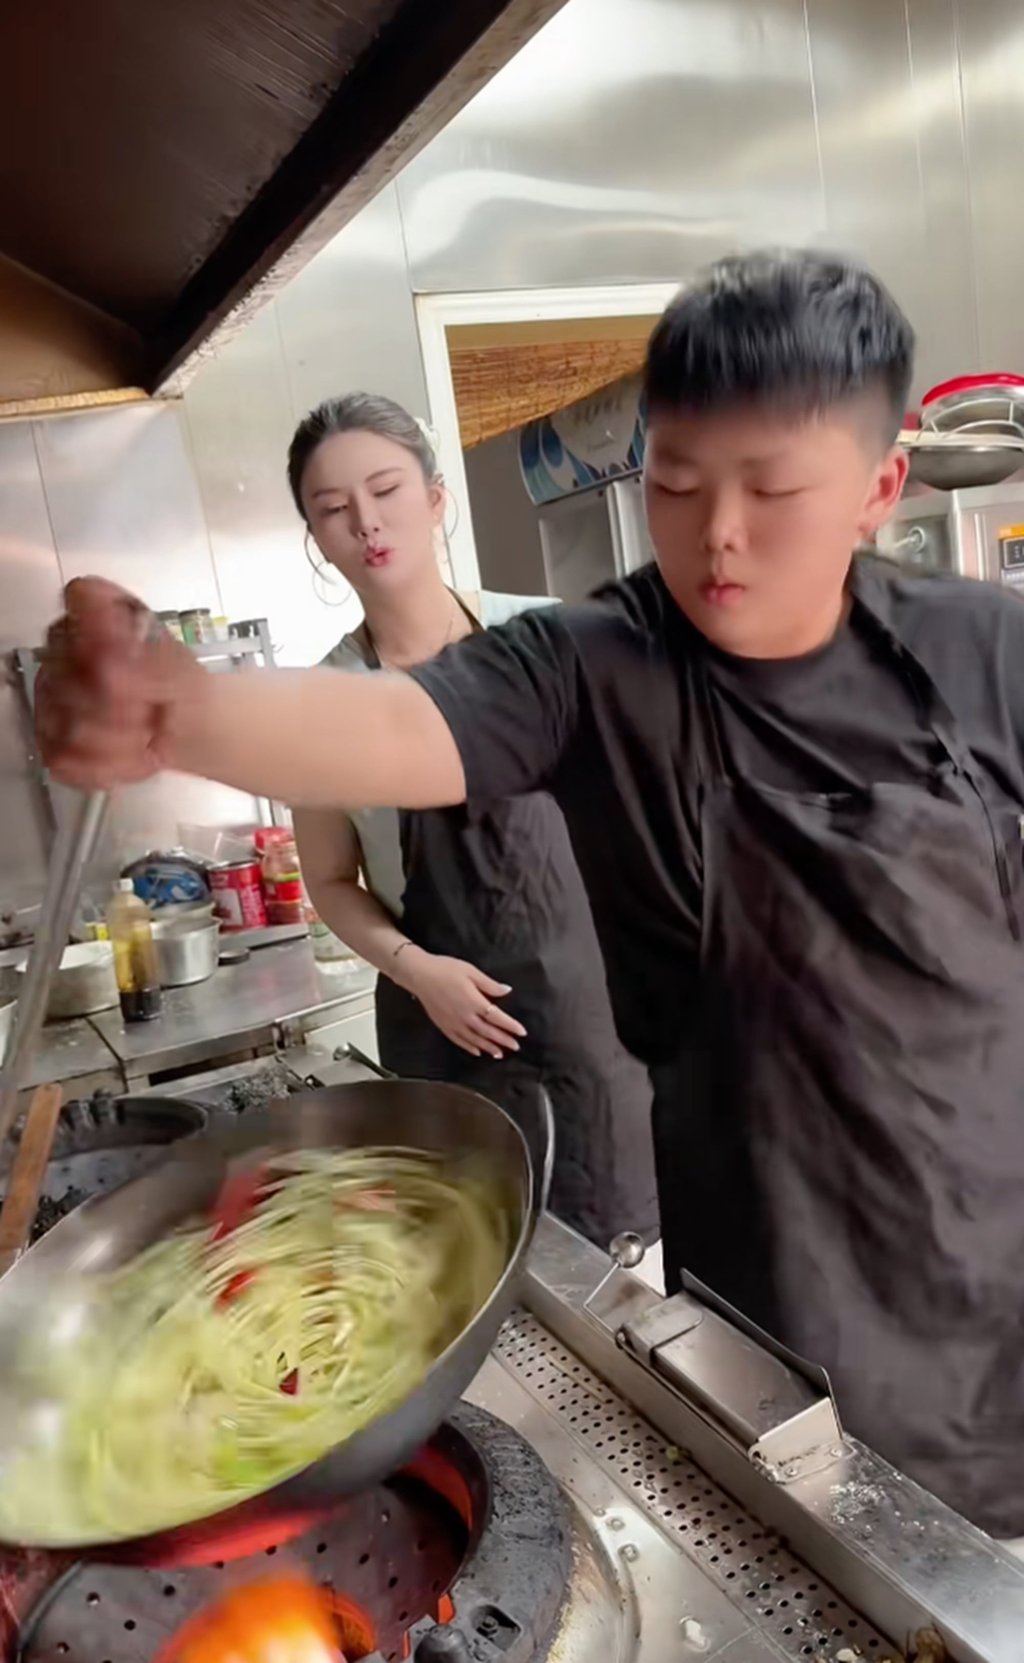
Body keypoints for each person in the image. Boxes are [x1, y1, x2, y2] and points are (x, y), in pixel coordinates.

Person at [36, 249, 1024, 1541]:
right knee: (841, 1553)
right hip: (782, 1266)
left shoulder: (986, 649)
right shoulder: (590, 660)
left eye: (772, 487)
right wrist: (184, 706)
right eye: (676, 478)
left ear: (878, 487)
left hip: (993, 1228)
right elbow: (389, 730)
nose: (716, 535)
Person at [285, 391, 658, 1247]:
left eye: (385, 490)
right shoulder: (317, 706)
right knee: (470, 1263)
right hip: (443, 1033)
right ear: (317, 537)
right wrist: (419, 970)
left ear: (434, 498)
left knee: (615, 1278)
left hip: (587, 1023)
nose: (366, 525)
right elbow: (332, 881)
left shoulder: (551, 641)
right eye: (334, 510)